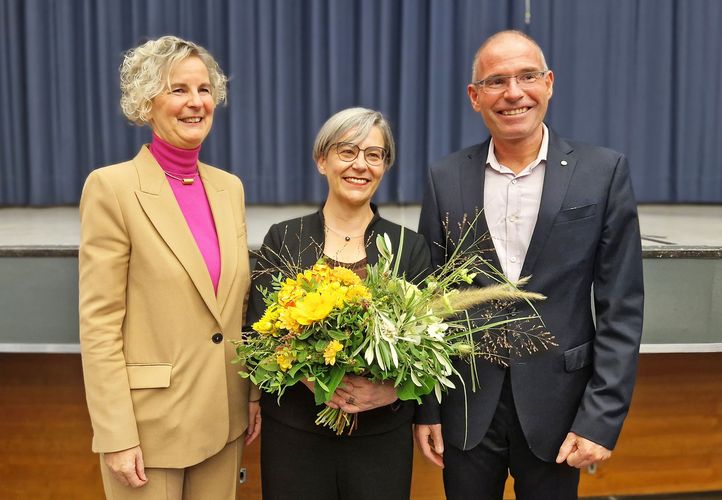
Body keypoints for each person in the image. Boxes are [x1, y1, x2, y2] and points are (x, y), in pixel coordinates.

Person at [415, 30, 644, 500]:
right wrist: (427, 409)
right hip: (466, 406)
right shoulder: (445, 177)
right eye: (497, 81)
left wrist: (601, 418)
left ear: (550, 83)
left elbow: (621, 307)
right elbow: (427, 303)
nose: (514, 93)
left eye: (527, 76)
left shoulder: (602, 173)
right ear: (474, 97)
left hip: (560, 412)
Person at [79, 35, 260, 499]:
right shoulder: (111, 188)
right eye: (178, 89)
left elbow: (235, 306)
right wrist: (116, 434)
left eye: (204, 90)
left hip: (224, 419)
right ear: (147, 101)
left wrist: (252, 394)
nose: (195, 103)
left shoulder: (229, 189)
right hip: (148, 430)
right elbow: (99, 325)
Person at [247, 107, 430, 500]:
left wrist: (391, 392)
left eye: (374, 155)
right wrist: (309, 374)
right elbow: (256, 334)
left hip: (380, 436)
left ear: (384, 166)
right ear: (322, 160)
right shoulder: (284, 238)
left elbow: (429, 351)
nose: (360, 165)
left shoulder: (410, 247)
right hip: (295, 433)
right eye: (347, 151)